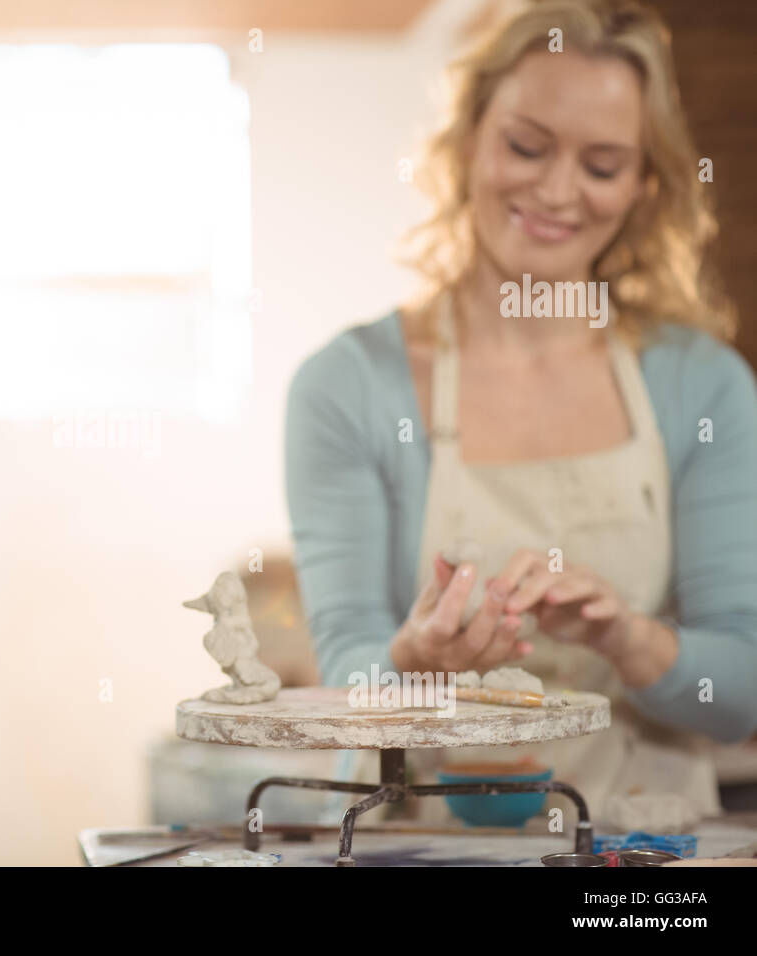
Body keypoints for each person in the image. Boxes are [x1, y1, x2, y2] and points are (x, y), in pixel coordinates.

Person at [285, 0, 757, 826]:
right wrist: (414, 659)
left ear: (646, 186)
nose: (556, 189)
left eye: (603, 165)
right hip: (420, 846)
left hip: (639, 869)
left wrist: (628, 638)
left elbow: (742, 691)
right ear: (468, 136)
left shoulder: (702, 385)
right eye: (526, 146)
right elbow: (344, 682)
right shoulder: (348, 386)